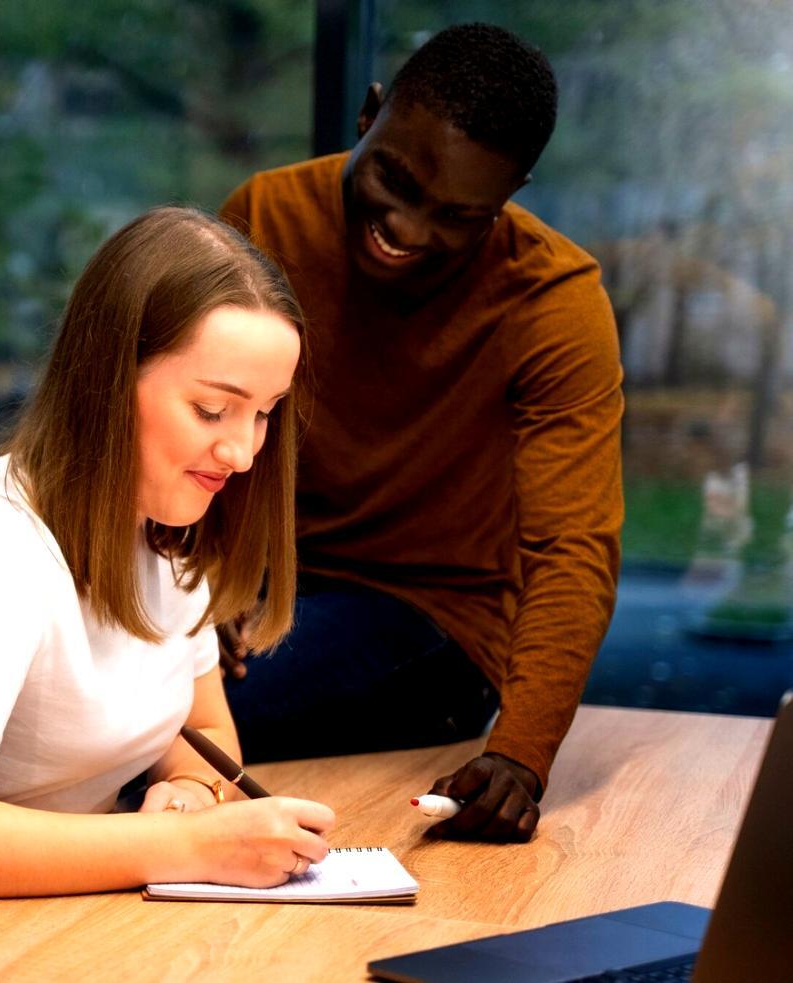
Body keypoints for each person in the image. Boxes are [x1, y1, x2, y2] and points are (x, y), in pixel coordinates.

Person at [0, 206, 335, 898]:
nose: (244, 452)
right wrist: (182, 843)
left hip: (67, 912)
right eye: (212, 410)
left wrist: (189, 792)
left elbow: (203, 730)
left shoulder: (166, 528)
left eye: (263, 411)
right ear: (107, 381)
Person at [218, 22, 624, 843]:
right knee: (78, 680)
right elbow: (183, 423)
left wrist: (518, 754)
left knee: (167, 712)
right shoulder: (266, 214)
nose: (405, 227)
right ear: (370, 114)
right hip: (261, 582)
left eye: (456, 216)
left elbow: (572, 548)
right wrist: (207, 586)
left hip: (429, 620)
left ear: (511, 191)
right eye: (394, 180)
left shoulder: (553, 301)